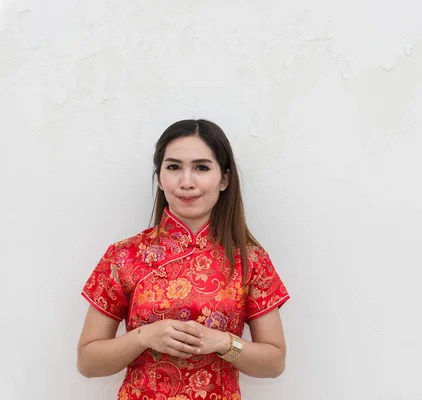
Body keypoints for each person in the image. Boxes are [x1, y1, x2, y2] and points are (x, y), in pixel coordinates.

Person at [77, 119, 290, 400]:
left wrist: (224, 342)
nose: (186, 182)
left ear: (224, 179)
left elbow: (274, 363)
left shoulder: (250, 260)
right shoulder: (125, 255)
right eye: (174, 167)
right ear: (160, 177)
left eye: (201, 167)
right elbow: (88, 362)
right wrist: (144, 337)